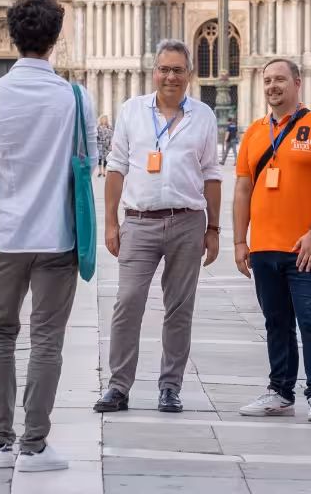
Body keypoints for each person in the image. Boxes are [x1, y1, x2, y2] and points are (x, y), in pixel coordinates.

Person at [0, 0, 96, 473]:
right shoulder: (77, 98)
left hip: (8, 240)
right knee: (47, 341)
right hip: (60, 239)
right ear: (55, 39)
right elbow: (91, 163)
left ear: (12, 37)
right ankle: (34, 445)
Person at [94, 40, 220, 415]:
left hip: (187, 221)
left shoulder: (204, 116)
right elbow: (116, 167)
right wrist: (110, 222)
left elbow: (211, 173)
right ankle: (118, 386)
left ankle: (170, 387)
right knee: (127, 303)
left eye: (178, 69)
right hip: (138, 221)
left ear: (189, 75)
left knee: (179, 308)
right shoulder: (132, 111)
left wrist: (213, 228)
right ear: (154, 72)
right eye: (164, 69)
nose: (170, 76)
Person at [233, 58, 311, 423]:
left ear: (297, 82)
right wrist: (239, 240)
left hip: (308, 247)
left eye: (280, 79)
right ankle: (280, 390)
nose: (272, 86)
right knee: (275, 321)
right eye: (267, 80)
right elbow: (242, 188)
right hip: (265, 246)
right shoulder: (253, 132)